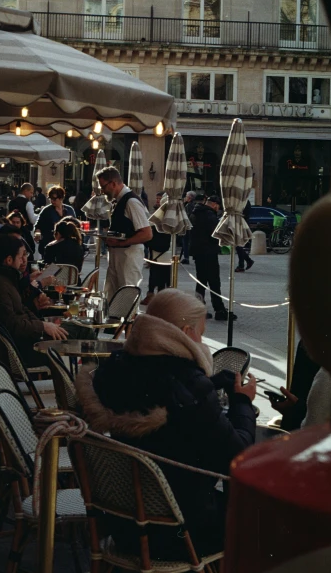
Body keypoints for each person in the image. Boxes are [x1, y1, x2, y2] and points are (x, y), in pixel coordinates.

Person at [76, 289, 256, 558]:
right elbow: (236, 457)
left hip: (123, 521)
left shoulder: (113, 369)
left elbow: (161, 389)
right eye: (200, 333)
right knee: (261, 515)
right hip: (182, 531)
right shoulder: (189, 386)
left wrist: (212, 383)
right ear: (185, 332)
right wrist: (243, 404)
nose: (201, 340)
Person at [0, 234, 68, 366]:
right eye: (21, 256)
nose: (24, 261)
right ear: (9, 260)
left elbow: (20, 308)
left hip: (23, 340)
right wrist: (43, 326)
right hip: (23, 349)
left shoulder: (1, 276)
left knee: (71, 329)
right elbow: (11, 323)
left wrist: (40, 322)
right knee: (79, 332)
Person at [94, 166, 152, 300]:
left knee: (127, 297)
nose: (102, 191)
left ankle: (129, 321)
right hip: (117, 257)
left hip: (128, 257)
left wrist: (122, 243)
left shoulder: (131, 201)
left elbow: (147, 233)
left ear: (113, 183)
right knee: (111, 296)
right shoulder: (118, 201)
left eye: (103, 187)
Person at [189, 194, 231, 321]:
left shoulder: (195, 212)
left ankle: (198, 307)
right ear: (214, 204)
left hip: (198, 252)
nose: (217, 209)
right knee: (214, 282)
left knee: (201, 282)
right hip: (208, 252)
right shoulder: (210, 215)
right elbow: (215, 234)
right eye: (218, 207)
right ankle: (219, 309)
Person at [141, 191, 171, 306]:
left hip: (162, 250)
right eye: (157, 199)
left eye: (159, 199)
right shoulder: (156, 214)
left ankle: (161, 296)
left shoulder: (165, 215)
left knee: (161, 275)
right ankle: (154, 295)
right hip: (156, 250)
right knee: (155, 274)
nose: (157, 201)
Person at [35, 185, 76, 251]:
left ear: (61, 198)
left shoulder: (69, 210)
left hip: (67, 246)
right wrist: (37, 233)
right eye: (50, 198)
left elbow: (75, 225)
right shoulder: (47, 210)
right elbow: (38, 225)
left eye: (54, 199)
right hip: (50, 244)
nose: (52, 201)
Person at [235, 199, 254, 273]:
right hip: (241, 224)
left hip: (242, 225)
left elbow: (244, 214)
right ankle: (246, 262)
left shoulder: (244, 201)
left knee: (238, 246)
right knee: (238, 246)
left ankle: (242, 265)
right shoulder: (244, 201)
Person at [180, 190, 197, 264]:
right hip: (192, 226)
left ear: (189, 198)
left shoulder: (188, 205)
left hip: (188, 226)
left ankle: (186, 257)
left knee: (185, 242)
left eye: (186, 196)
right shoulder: (194, 205)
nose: (185, 197)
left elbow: (187, 216)